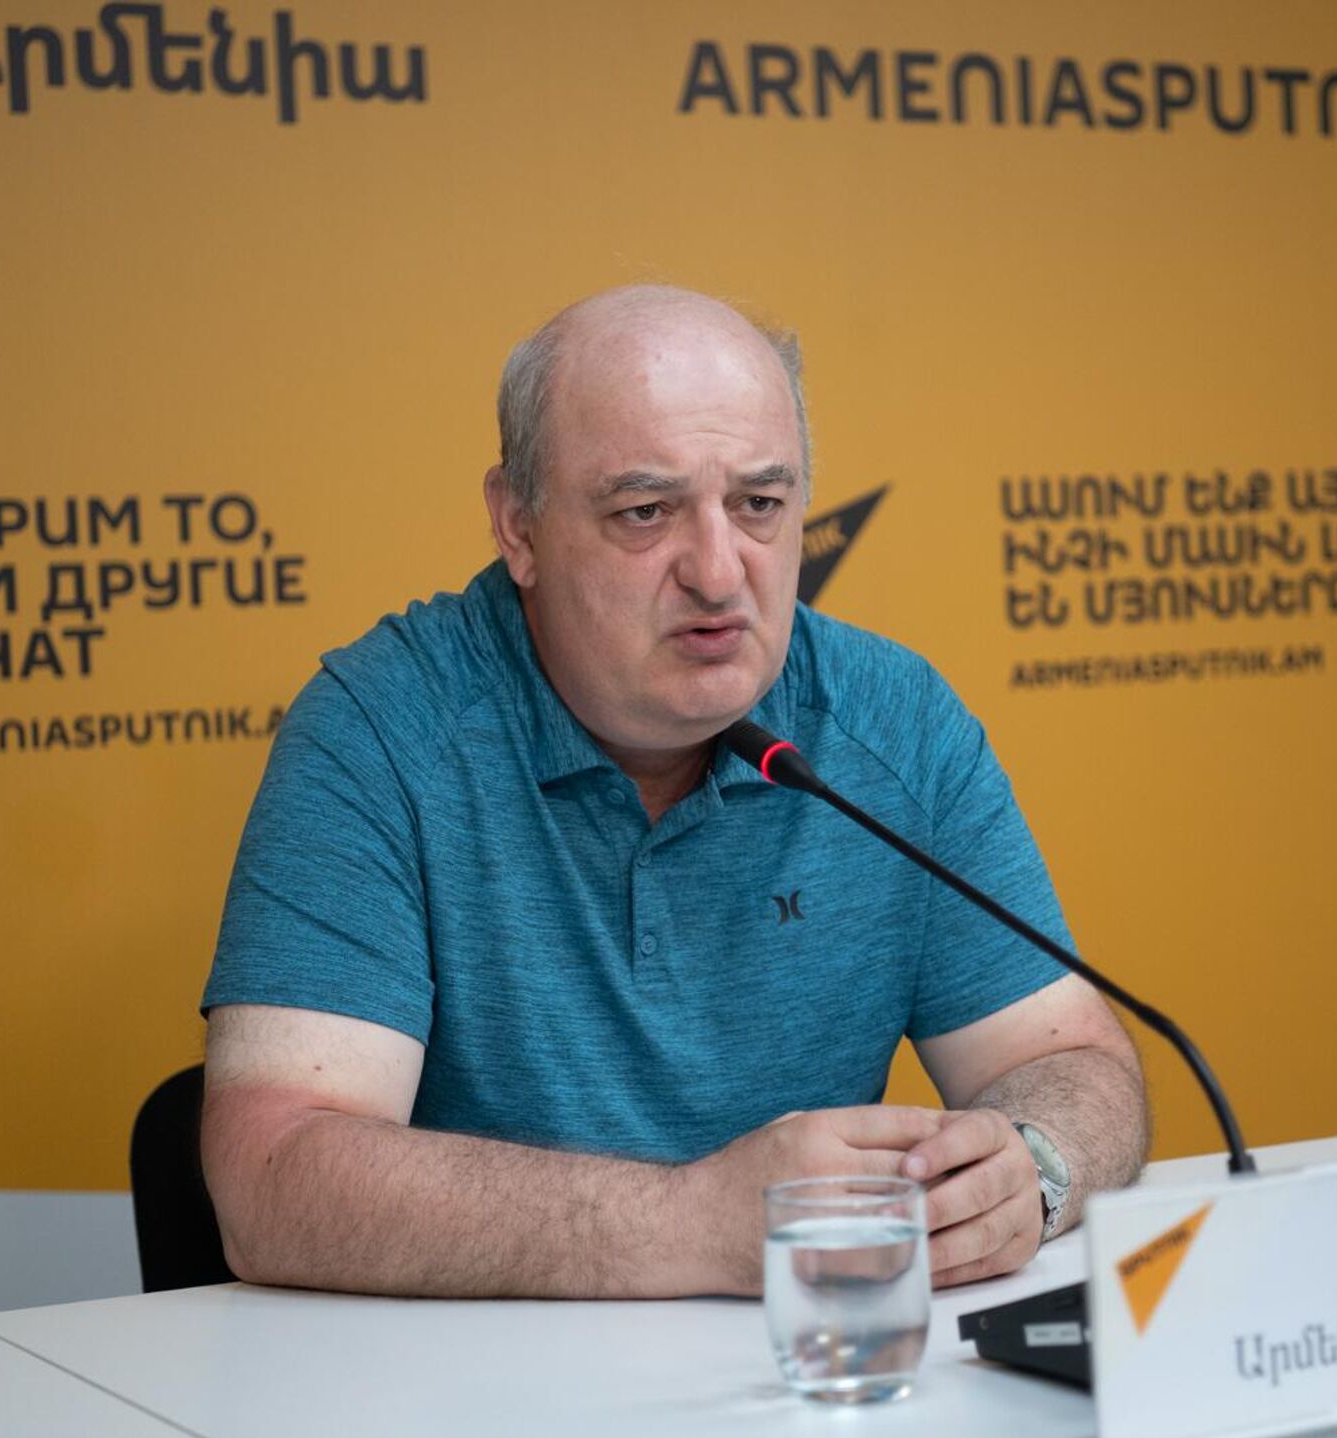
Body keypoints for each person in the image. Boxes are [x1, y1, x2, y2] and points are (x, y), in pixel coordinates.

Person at [199, 285, 1148, 1299]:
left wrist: (1032, 1170)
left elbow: (1076, 1061)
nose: (718, 572)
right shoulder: (380, 732)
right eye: (645, 512)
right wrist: (697, 1221)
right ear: (519, 525)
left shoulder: (893, 722)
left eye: (759, 504)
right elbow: (273, 1177)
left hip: (813, 1359)